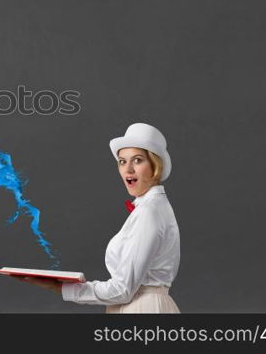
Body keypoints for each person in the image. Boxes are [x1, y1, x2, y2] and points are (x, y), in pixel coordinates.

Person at [16, 123, 181, 313]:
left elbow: (123, 290)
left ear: (155, 166)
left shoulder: (149, 212)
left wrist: (61, 287)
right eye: (122, 161)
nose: (128, 169)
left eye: (137, 160)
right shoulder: (154, 208)